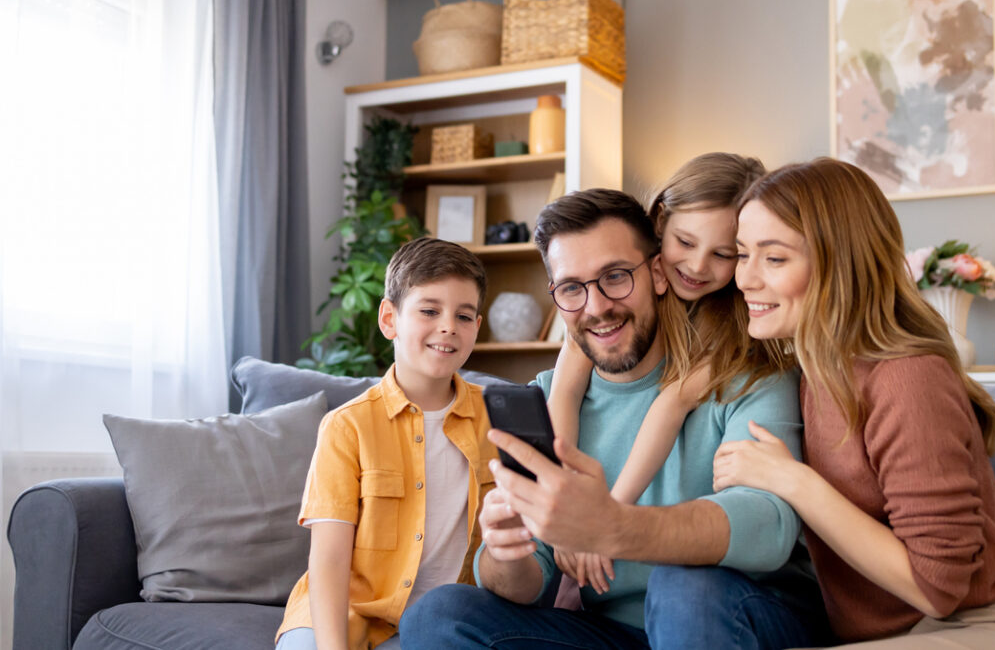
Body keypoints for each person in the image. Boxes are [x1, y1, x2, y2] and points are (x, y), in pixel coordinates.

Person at [399, 188, 830, 648]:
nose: (597, 306)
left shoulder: (746, 371)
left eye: (616, 276)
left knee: (683, 586)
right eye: (571, 288)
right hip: (616, 634)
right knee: (439, 616)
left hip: (739, 611)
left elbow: (769, 524)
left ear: (659, 274)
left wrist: (617, 529)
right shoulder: (549, 398)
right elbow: (531, 582)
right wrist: (507, 553)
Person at [714, 158, 995, 648]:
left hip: (990, 629)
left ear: (839, 263)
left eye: (775, 258)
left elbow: (937, 587)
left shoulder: (907, 377)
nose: (745, 279)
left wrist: (793, 480)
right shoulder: (811, 373)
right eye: (742, 254)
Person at [547, 153, 785, 594]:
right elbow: (563, 391)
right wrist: (571, 506)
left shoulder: (731, 331)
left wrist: (605, 519)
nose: (696, 267)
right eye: (686, 242)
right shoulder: (613, 300)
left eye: (724, 254)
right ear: (660, 222)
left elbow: (670, 406)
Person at [275, 237, 498, 650]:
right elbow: (328, 562)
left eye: (463, 316)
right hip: (348, 612)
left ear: (476, 329)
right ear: (389, 318)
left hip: (442, 620)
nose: (448, 325)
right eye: (429, 311)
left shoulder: (497, 420)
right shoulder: (347, 426)